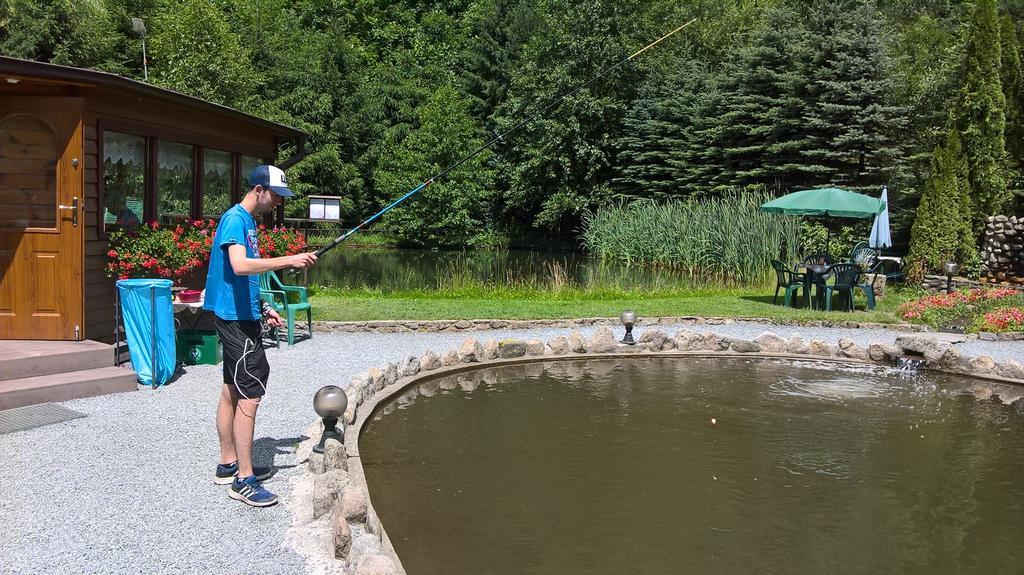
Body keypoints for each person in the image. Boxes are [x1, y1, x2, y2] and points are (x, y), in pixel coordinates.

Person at [204, 164, 317, 507]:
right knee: (250, 394)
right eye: (276, 196)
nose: (277, 203)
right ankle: (244, 480)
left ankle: (228, 463)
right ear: (259, 189)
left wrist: (264, 305)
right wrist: (289, 260)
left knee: (230, 390)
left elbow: (244, 275)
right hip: (235, 321)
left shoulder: (248, 222)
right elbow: (239, 265)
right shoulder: (236, 220)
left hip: (242, 314)